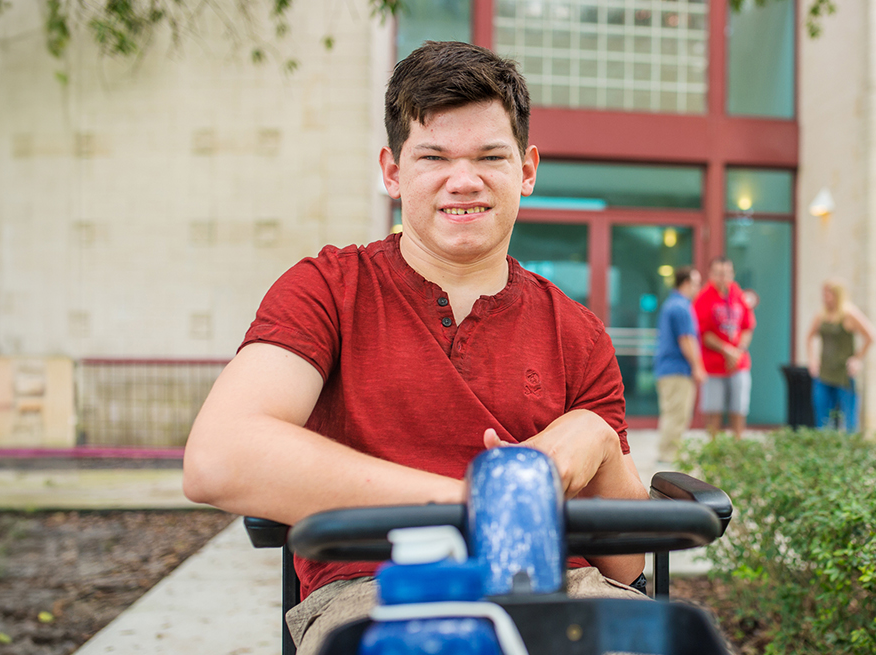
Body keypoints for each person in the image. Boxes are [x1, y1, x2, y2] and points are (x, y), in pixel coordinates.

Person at [181, 41, 648, 655]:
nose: (464, 179)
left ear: (527, 170)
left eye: (490, 156)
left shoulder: (577, 331)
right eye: (434, 156)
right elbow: (220, 457)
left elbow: (626, 564)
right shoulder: (328, 289)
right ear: (392, 171)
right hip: (375, 590)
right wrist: (485, 503)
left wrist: (593, 439)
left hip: (561, 588)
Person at [804, 279, 876, 432]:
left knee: (849, 420)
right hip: (824, 373)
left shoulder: (849, 314)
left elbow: (871, 335)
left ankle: (850, 452)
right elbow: (809, 337)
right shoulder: (821, 315)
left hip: (844, 374)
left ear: (837, 295)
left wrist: (857, 359)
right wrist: (812, 360)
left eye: (829, 293)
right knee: (822, 420)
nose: (825, 297)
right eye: (824, 293)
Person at [695, 257, 755, 438]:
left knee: (739, 409)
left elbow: (747, 327)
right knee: (714, 411)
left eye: (727, 273)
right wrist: (727, 350)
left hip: (739, 364)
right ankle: (714, 451)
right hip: (713, 366)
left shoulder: (737, 294)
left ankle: (737, 446)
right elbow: (702, 333)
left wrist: (738, 351)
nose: (723, 277)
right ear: (711, 274)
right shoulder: (703, 298)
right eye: (719, 273)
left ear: (732, 274)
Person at [653, 266, 705, 464]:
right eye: (696, 283)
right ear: (686, 283)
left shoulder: (672, 304)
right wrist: (698, 366)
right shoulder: (681, 307)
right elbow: (686, 340)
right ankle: (669, 456)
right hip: (677, 370)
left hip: (668, 370)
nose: (698, 288)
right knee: (677, 414)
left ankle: (668, 453)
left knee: (671, 413)